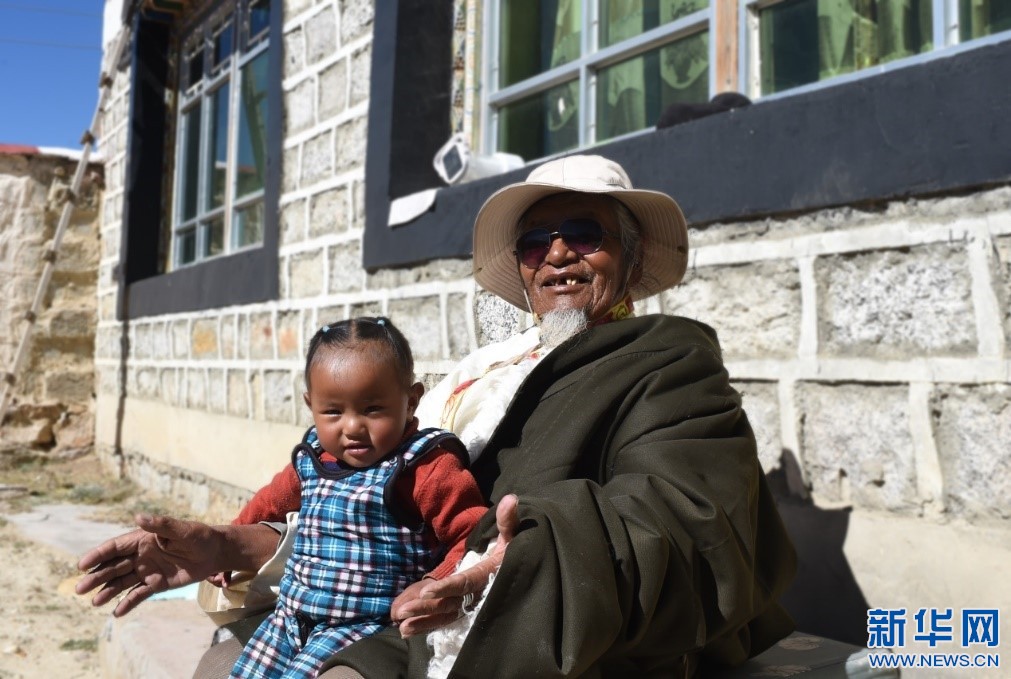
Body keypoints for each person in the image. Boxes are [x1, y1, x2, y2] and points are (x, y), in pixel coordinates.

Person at [77, 154, 797, 678]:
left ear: (632, 261)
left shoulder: (670, 364)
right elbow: (376, 510)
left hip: (530, 620)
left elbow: (681, 519)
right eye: (534, 242)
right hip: (397, 598)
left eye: (584, 232)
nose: (556, 254)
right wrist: (228, 545)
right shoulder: (480, 376)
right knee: (222, 662)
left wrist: (507, 563)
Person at [229, 317, 486, 678]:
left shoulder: (423, 467)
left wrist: (434, 582)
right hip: (289, 616)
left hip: (360, 628)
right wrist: (230, 540)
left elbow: (474, 535)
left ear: (411, 401)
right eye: (333, 411)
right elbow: (270, 502)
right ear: (311, 405)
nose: (352, 427)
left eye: (372, 409)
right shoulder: (314, 459)